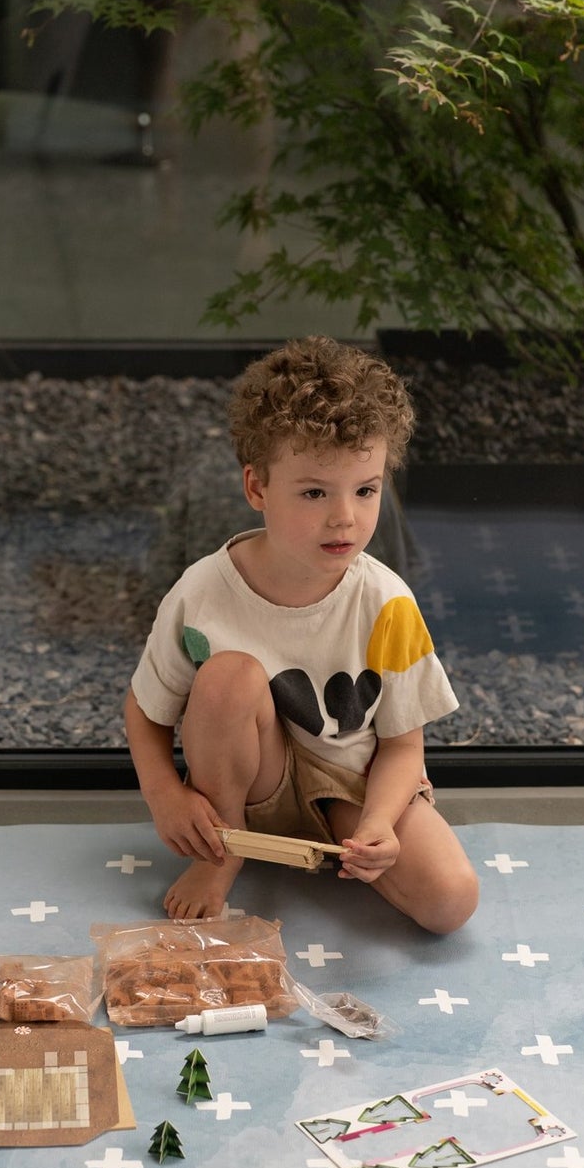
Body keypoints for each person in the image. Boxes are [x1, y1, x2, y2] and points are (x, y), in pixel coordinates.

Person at [124, 335, 480, 934]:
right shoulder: (203, 592)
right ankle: (224, 853)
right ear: (257, 489)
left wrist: (380, 824)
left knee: (452, 902)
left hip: (352, 786)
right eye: (314, 492)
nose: (345, 517)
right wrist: (165, 795)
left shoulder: (387, 602)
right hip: (248, 787)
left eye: (365, 490)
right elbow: (145, 708)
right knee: (228, 676)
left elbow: (402, 747)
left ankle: (342, 845)